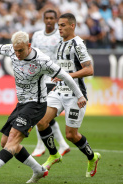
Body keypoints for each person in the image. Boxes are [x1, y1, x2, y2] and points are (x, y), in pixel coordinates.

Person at [0, 31, 87, 183]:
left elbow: (66, 76)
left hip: (36, 105)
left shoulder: (42, 61)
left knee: (13, 140)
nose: (17, 54)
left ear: (29, 46)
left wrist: (80, 95)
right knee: (5, 143)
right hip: (21, 104)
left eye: (20, 50)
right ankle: (38, 170)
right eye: (15, 50)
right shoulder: (12, 49)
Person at [36, 13, 101, 178]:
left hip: (75, 94)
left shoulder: (78, 44)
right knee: (42, 121)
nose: (59, 28)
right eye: (59, 26)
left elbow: (89, 69)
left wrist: (67, 76)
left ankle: (92, 157)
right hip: (58, 90)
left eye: (63, 25)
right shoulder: (59, 43)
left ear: (72, 26)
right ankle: (54, 154)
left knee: (71, 135)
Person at [30, 9, 70, 157]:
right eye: (46, 18)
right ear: (43, 19)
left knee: (39, 111)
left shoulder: (60, 36)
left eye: (51, 18)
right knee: (44, 115)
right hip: (38, 77)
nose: (48, 21)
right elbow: (32, 54)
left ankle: (40, 146)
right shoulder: (37, 35)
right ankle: (63, 144)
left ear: (56, 20)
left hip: (52, 78)